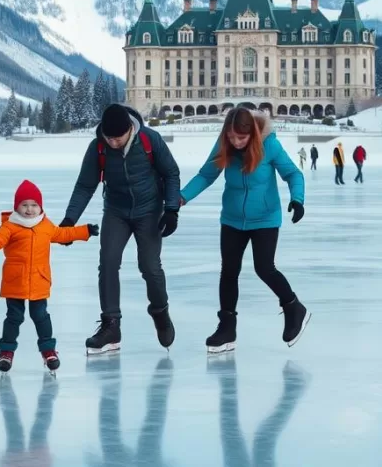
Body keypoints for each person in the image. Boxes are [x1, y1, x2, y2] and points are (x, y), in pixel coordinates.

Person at [179, 108, 309, 352]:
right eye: (232, 137)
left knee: (264, 268)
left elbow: (293, 173)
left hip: (265, 219)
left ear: (252, 134)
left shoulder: (269, 145)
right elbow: (206, 175)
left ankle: (293, 307)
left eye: (242, 137)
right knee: (228, 271)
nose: (236, 142)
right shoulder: (224, 145)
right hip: (232, 219)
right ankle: (227, 328)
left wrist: (298, 199)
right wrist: (182, 198)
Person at [61, 104, 181, 355]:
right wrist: (69, 221)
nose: (114, 142)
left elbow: (170, 173)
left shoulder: (150, 140)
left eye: (118, 138)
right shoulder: (98, 147)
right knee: (107, 262)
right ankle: (111, 325)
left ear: (130, 130)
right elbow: (85, 185)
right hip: (116, 211)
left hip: (149, 210)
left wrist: (171, 209)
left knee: (149, 266)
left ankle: (160, 311)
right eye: (109, 137)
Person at [0, 180, 96, 372]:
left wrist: (84, 231)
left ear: (40, 207)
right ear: (16, 206)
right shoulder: (10, 227)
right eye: (24, 205)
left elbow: (62, 234)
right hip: (15, 280)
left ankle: (49, 351)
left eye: (34, 205)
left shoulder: (45, 225)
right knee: (14, 317)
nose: (29, 209)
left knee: (41, 316)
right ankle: (6, 352)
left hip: (39, 280)